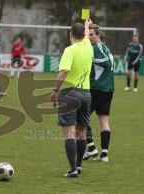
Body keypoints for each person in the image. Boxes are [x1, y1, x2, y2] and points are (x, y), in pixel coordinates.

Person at [48, 19, 93, 178]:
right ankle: (79, 167)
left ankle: (73, 170)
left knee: (69, 133)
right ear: (84, 34)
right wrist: (87, 24)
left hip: (70, 94)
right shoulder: (88, 46)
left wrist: (55, 90)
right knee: (81, 133)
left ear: (70, 34)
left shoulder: (70, 50)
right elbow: (87, 34)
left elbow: (64, 71)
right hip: (86, 94)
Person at [83, 24, 115, 163]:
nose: (89, 37)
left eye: (92, 35)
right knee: (104, 121)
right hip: (108, 90)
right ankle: (104, 154)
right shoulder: (104, 47)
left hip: (97, 89)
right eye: (88, 34)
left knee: (81, 117)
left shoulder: (98, 47)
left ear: (98, 35)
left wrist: (91, 59)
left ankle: (91, 148)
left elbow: (107, 63)